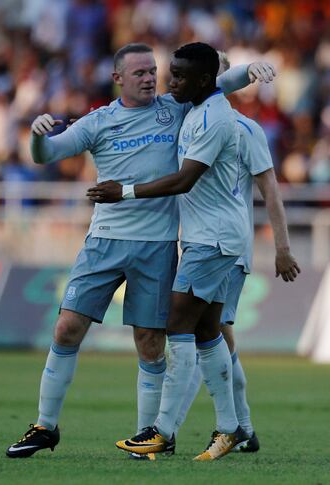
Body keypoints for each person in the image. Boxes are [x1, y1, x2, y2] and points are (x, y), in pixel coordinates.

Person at [6, 42, 274, 459]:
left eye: (153, 70)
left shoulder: (176, 107)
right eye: (140, 73)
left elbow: (218, 84)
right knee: (66, 329)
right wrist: (38, 135)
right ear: (118, 79)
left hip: (157, 246)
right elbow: (48, 154)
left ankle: (148, 440)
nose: (151, 78)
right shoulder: (98, 122)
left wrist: (250, 70)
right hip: (105, 241)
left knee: (151, 344)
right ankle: (44, 426)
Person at [87, 42, 256, 461]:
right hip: (208, 236)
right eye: (171, 73)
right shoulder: (196, 109)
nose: (169, 82)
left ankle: (161, 431)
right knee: (205, 332)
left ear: (203, 81)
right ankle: (231, 427)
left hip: (211, 240)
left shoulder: (216, 119)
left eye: (178, 76)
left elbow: (183, 181)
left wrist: (122, 192)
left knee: (177, 326)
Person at [172, 51, 301, 454]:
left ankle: (181, 429)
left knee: (205, 335)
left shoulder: (245, 130)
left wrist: (282, 247)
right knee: (218, 337)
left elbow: (271, 191)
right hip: (201, 241)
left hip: (226, 248)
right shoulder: (189, 118)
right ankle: (241, 428)